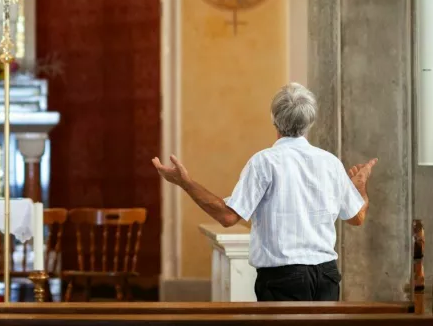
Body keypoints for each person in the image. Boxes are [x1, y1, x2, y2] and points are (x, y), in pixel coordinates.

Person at [152, 82, 377, 302]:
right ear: (311, 121)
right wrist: (360, 189)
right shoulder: (330, 163)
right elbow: (357, 217)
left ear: (274, 119)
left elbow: (228, 216)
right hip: (327, 277)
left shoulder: (264, 162)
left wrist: (185, 182)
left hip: (284, 278)